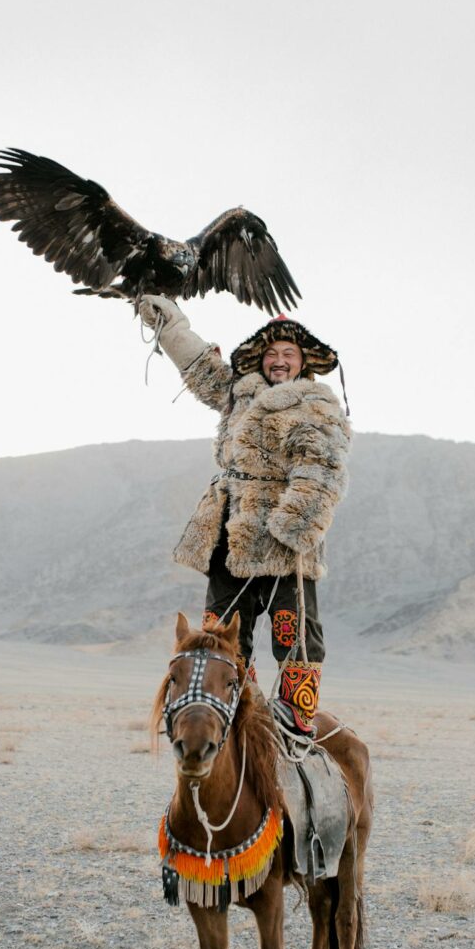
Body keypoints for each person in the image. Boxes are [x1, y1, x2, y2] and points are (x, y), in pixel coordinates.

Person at [140, 295, 351, 735]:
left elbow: (323, 466)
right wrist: (168, 322)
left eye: (288, 354)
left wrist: (294, 526)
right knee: (222, 630)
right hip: (231, 529)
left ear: (303, 363)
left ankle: (296, 718)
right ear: (261, 359)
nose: (278, 360)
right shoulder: (239, 393)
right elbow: (199, 367)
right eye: (271, 353)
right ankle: (241, 705)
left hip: (284, 536)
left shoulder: (317, 404)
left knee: (294, 631)